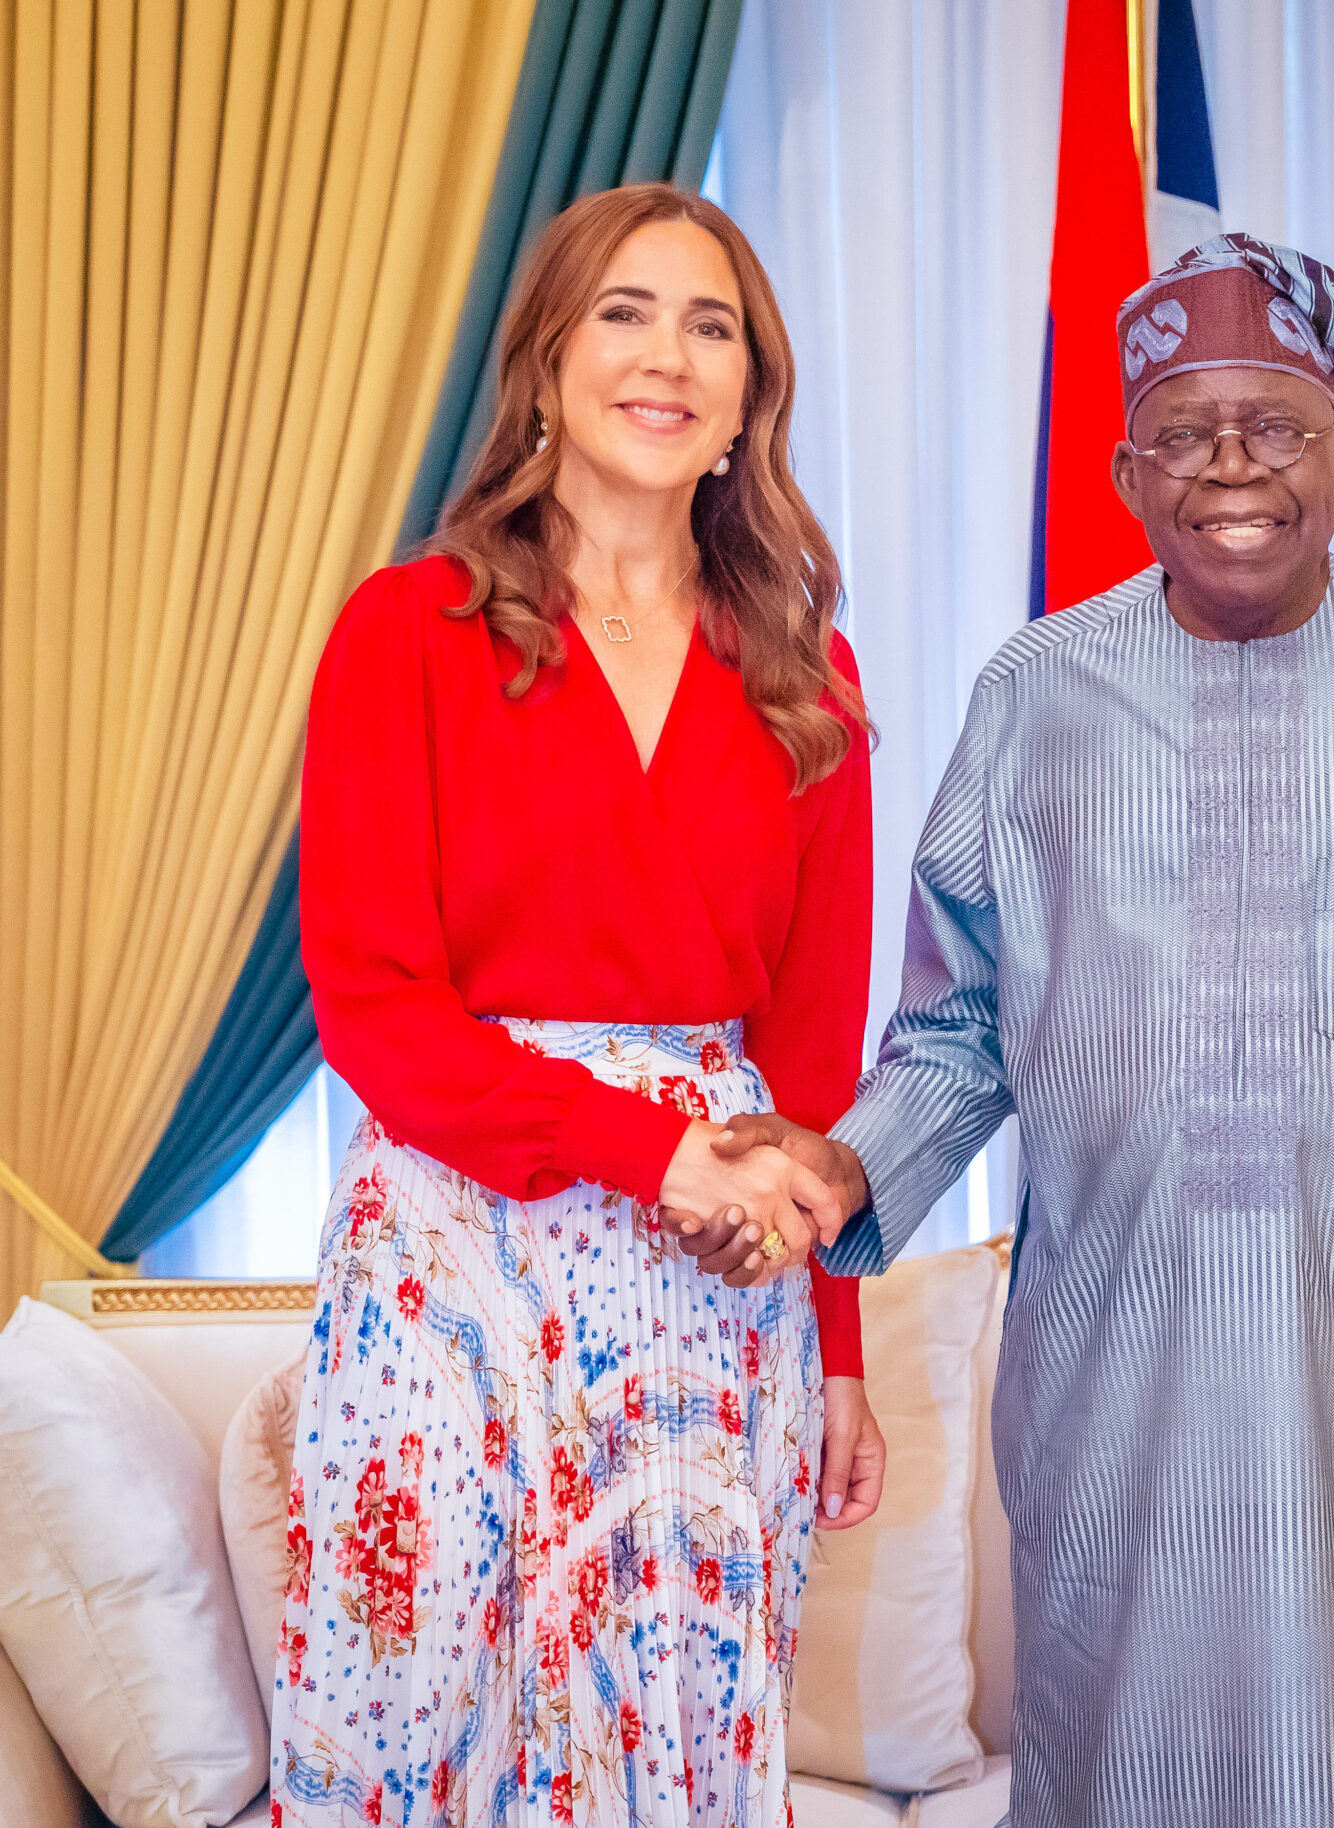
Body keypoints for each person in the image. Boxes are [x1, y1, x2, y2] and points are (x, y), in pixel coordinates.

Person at [690, 235, 1334, 1828]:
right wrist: (846, 1169)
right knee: (1118, 1759)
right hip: (1114, 1373)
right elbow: (962, 1024)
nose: (1232, 469)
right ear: (1125, 468)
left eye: (1274, 426)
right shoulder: (1037, 697)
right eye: (1186, 433)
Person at [275, 183, 886, 1828]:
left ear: (750, 393)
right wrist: (657, 1153)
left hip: (715, 1299)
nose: (667, 356)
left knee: (673, 1743)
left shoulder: (808, 682)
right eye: (623, 311)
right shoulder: (406, 633)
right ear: (543, 363)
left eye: (713, 326)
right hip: (454, 1268)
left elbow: (817, 1067)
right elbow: (378, 1012)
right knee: (420, 1732)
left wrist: (834, 1352)